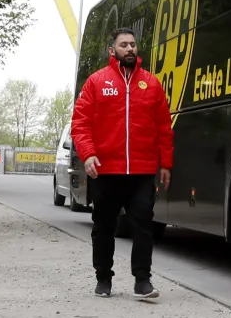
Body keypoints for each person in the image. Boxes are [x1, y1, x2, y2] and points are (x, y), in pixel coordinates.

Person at [72, 28, 174, 301]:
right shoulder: (96, 82)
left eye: (132, 44)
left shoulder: (151, 84)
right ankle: (103, 277)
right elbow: (80, 124)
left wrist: (165, 163)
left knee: (143, 225)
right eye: (123, 45)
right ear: (112, 50)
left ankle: (143, 281)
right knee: (103, 226)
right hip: (105, 170)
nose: (129, 49)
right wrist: (88, 154)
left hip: (141, 171)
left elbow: (164, 127)